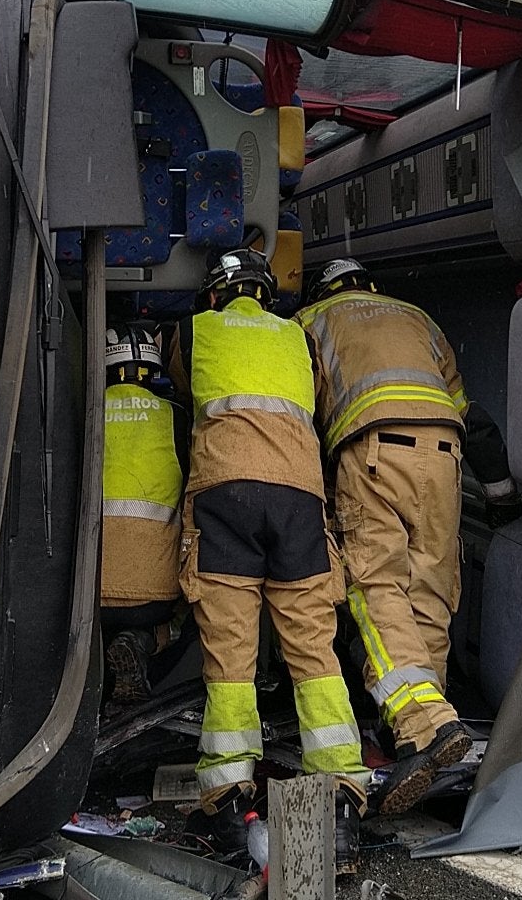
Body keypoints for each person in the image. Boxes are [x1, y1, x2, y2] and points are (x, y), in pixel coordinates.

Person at [168, 247, 369, 875]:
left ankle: (229, 800)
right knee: (313, 645)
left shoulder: (196, 330)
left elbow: (179, 392)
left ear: (215, 295)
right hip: (299, 499)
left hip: (225, 494)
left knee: (231, 653)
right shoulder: (297, 337)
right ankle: (337, 803)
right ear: (266, 293)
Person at [296, 257, 518, 816]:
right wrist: (502, 498)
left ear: (325, 289)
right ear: (369, 286)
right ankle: (425, 744)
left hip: (370, 452)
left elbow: (300, 416)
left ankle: (425, 722)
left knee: (376, 591)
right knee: (431, 591)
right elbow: (477, 418)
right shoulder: (419, 319)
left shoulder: (312, 321)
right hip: (445, 454)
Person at [98, 323, 187, 705]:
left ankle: (98, 659)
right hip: (156, 599)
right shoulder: (177, 419)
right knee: (199, 611)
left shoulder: (85, 418)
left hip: (89, 596)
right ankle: (144, 641)